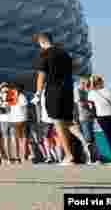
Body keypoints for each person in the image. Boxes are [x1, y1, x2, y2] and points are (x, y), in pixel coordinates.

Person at [32, 32, 77, 165]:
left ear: (42, 42)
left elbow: (41, 75)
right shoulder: (65, 53)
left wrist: (38, 93)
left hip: (54, 90)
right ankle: (74, 150)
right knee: (67, 122)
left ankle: (68, 155)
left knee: (57, 122)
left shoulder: (45, 54)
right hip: (68, 90)